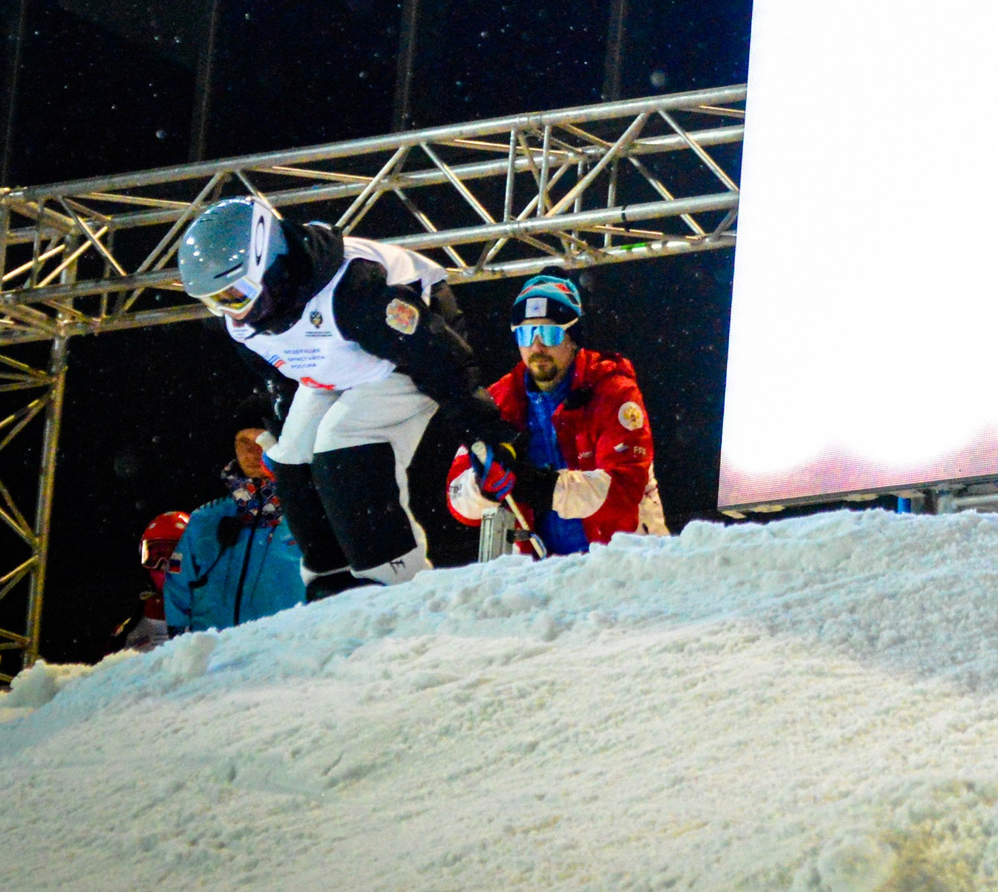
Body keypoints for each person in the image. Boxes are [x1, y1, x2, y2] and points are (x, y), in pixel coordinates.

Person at [176, 195, 526, 600]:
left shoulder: (353, 291)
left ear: (270, 264)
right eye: (216, 302)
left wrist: (487, 435)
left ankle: (395, 575)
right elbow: (279, 378)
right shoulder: (243, 327)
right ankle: (331, 572)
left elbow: (439, 357)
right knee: (293, 457)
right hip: (340, 360)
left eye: (236, 295)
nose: (234, 313)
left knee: (342, 443)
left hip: (407, 347)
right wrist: (282, 428)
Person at [445, 274, 668, 552]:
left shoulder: (613, 391)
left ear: (573, 339)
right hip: (542, 575)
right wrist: (482, 486)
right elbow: (456, 500)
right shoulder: (498, 401)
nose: (537, 347)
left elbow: (624, 490)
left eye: (549, 334)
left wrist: (543, 487)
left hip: (623, 565)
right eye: (527, 334)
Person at [165, 428, 306, 634]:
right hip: (216, 660)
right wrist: (180, 651)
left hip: (287, 657)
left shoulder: (311, 516)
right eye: (243, 443)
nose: (252, 453)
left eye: (260, 440)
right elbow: (177, 592)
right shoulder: (203, 521)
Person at [118, 511, 189, 652]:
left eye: (171, 556)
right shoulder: (130, 629)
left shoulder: (212, 614)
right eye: (154, 557)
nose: (162, 566)